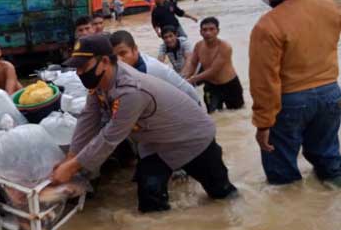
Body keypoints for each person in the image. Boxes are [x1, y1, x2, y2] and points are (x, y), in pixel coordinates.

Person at [50, 34, 237, 212]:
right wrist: (71, 157)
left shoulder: (130, 91)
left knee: (222, 196)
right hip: (155, 143)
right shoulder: (100, 83)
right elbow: (88, 118)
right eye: (77, 68)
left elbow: (109, 138)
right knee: (149, 199)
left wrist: (73, 167)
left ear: (105, 61)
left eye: (83, 66)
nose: (79, 73)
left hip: (192, 139)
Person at [249, 0, 341, 186]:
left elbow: (264, 82)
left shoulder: (267, 25)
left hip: (291, 101)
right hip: (331, 93)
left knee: (283, 176)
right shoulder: (330, 6)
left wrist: (263, 124)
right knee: (330, 163)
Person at [110, 30, 199, 103]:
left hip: (189, 102)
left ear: (135, 49)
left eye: (123, 53)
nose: (119, 60)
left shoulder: (145, 69)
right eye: (114, 56)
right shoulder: (137, 61)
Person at [182, 17, 244, 113]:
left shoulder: (225, 47)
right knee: (213, 116)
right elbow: (193, 64)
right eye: (205, 30)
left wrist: (192, 79)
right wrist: (185, 78)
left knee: (237, 114)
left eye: (211, 29)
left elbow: (214, 71)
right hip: (211, 87)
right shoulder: (198, 46)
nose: (208, 33)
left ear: (217, 31)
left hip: (230, 86)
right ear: (200, 32)